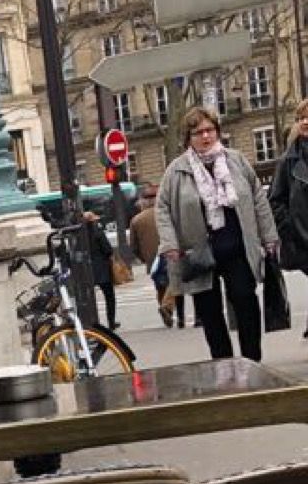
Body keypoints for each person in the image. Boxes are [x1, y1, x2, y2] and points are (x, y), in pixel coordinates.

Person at [157, 106, 280, 362]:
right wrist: (169, 243)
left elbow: (258, 198)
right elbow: (163, 208)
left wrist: (269, 236)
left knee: (245, 301)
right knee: (210, 314)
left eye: (210, 130)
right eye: (198, 132)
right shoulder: (177, 170)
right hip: (200, 254)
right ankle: (222, 365)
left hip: (236, 248)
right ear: (188, 138)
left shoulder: (235, 160)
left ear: (217, 131)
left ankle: (251, 360)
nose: (205, 136)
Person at [269, 98, 308, 338]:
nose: (305, 122)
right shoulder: (288, 160)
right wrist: (291, 229)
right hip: (304, 238)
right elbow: (276, 200)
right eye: (301, 118)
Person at [130, 185, 178, 329]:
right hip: (169, 253)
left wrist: (144, 258)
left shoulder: (136, 220)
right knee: (173, 283)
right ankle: (167, 307)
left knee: (160, 287)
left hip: (152, 260)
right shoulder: (166, 214)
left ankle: (166, 312)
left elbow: (133, 246)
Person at [82, 212, 119, 330]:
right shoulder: (97, 232)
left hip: (86, 270)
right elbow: (107, 249)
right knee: (109, 296)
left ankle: (90, 322)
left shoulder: (80, 235)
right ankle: (111, 322)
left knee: (87, 299)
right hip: (101, 268)